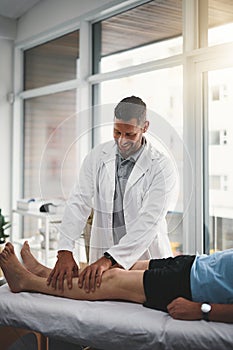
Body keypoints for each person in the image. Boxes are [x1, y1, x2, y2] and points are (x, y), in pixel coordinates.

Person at [49, 96, 177, 292]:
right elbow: (79, 201)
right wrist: (65, 250)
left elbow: (149, 221)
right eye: (117, 132)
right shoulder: (97, 156)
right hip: (104, 254)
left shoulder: (161, 166)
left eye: (130, 134)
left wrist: (110, 259)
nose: (122, 140)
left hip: (144, 256)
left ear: (145, 127)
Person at [0, 242, 232, 323]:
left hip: (193, 286)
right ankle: (44, 272)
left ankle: (28, 282)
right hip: (196, 265)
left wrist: (202, 310)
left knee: (111, 277)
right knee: (124, 266)